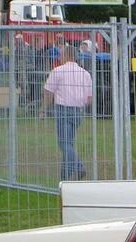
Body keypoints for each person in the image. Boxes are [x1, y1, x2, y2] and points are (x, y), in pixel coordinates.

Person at [43, 44, 92, 181]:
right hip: (78, 110)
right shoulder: (85, 73)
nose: (59, 57)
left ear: (66, 56)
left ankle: (79, 166)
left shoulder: (58, 71)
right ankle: (65, 176)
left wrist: (43, 109)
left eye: (61, 54)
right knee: (68, 143)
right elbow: (90, 98)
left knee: (64, 143)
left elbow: (48, 92)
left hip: (63, 109)